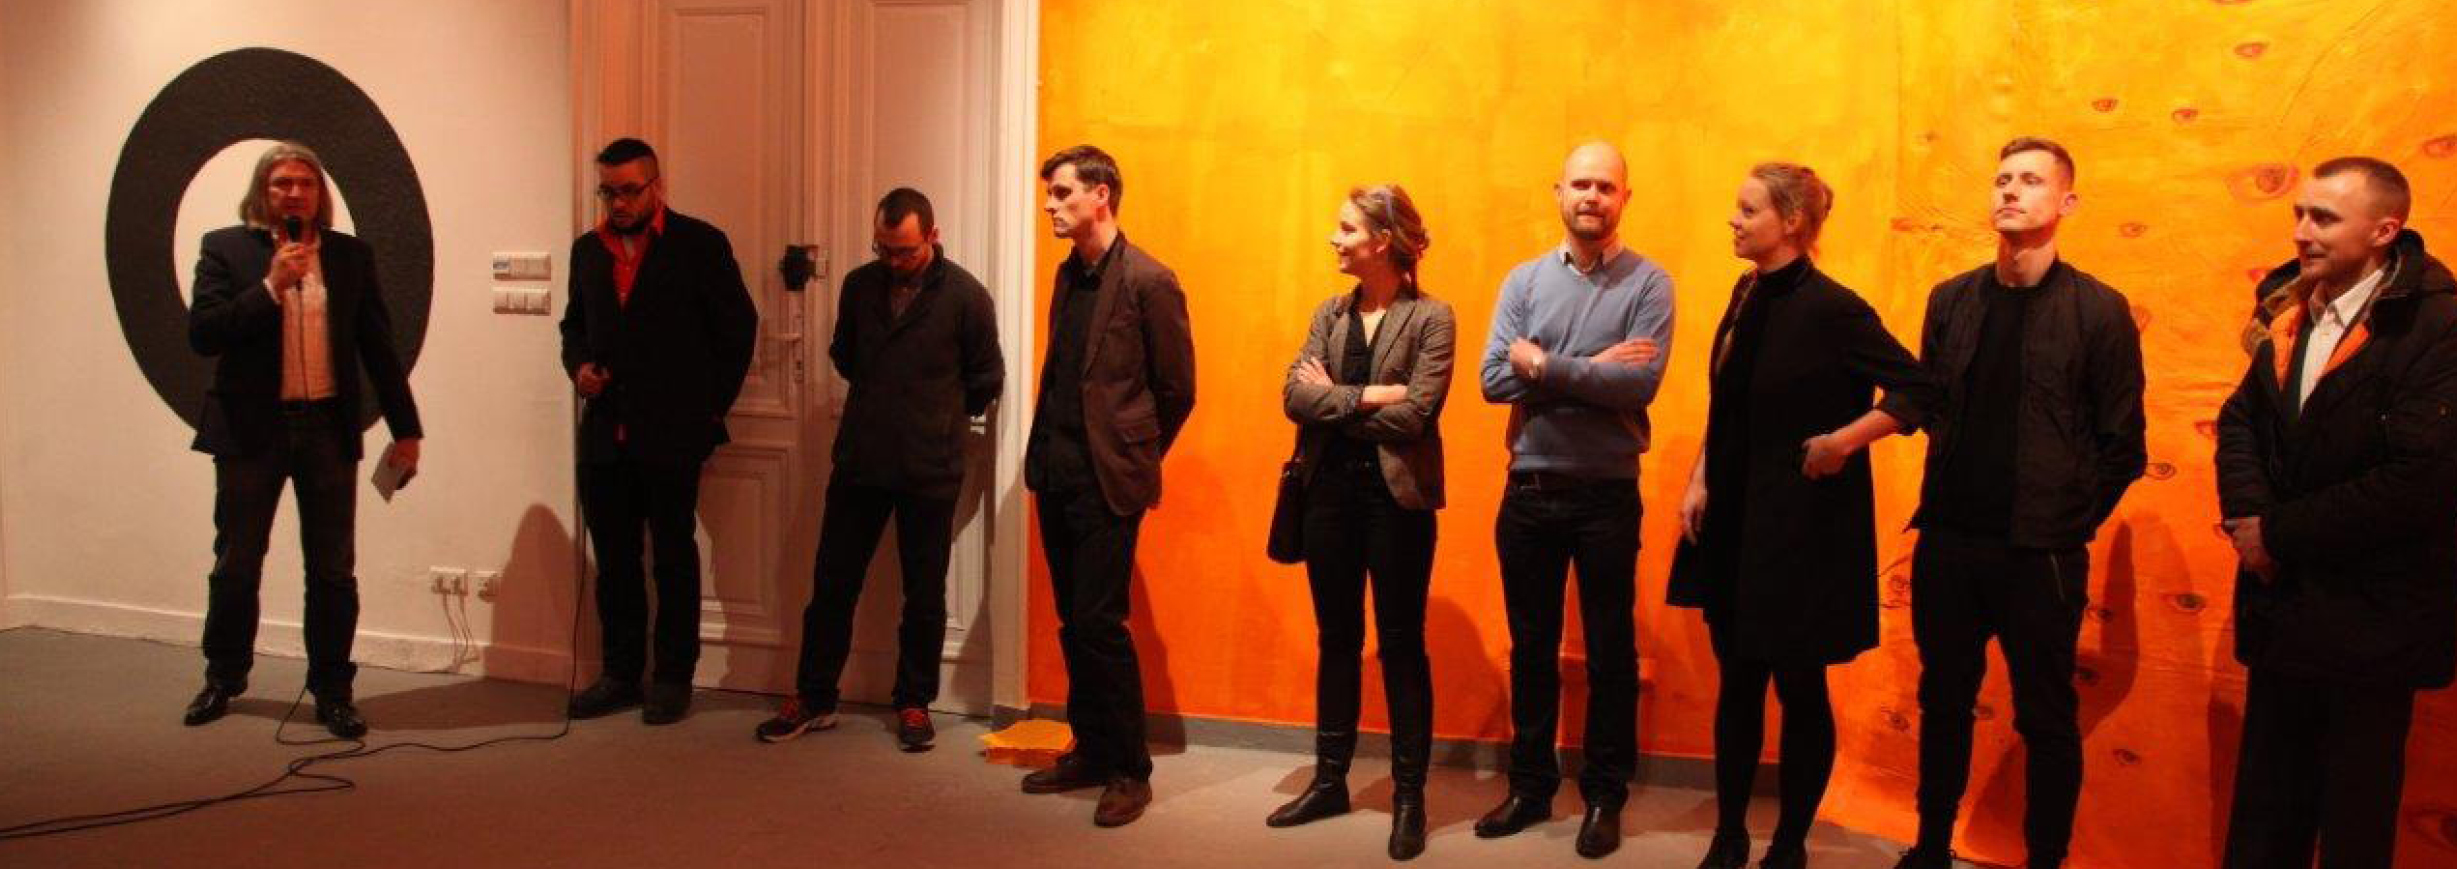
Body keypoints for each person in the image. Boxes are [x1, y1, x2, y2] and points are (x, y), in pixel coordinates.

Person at [1670, 164, 1940, 869]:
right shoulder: (1745, 292)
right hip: (1735, 521)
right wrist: (1700, 474)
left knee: (1798, 685)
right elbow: (1729, 404)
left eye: (1747, 208)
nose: (1732, 219)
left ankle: (1788, 844)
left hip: (1800, 530)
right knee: (1737, 683)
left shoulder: (1834, 309)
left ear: (1790, 221)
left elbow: (1920, 390)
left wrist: (1843, 442)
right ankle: (1728, 835)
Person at [1897, 138, 2145, 869]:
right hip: (1948, 539)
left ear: (2066, 203)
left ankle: (2045, 858)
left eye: (2031, 181)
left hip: (2040, 552)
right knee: (1943, 701)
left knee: (2045, 715)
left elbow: (2123, 444)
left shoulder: (2099, 310)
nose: (2009, 191)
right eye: (2002, 178)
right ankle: (1930, 846)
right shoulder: (1951, 298)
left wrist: (2066, 519)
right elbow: (1932, 405)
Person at [2216, 157, 2457, 869]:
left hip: (2374, 623)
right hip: (2281, 608)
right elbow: (2241, 420)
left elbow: (2419, 478)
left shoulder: (2438, 325)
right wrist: (2249, 518)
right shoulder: (2287, 306)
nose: (2300, 232)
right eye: (2298, 213)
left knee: (2354, 825)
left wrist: (2276, 532)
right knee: (2264, 818)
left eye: (2322, 218)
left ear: (2384, 230)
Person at [182, 141, 425, 740]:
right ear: (262, 192)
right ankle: (223, 676)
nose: (295, 193)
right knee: (237, 561)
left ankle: (333, 689)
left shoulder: (349, 256)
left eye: (305, 183)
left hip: (326, 431)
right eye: (282, 183)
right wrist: (269, 287)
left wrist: (407, 430)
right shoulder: (226, 249)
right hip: (250, 432)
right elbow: (204, 333)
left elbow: (379, 347)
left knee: (333, 568)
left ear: (321, 194)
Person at [1474, 141, 1672, 860]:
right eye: (1580, 184)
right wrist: (1591, 369)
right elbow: (1493, 379)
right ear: (1558, 192)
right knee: (1530, 649)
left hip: (1606, 496)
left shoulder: (1650, 283)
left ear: (1625, 198)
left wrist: (1543, 364)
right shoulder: (1523, 280)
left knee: (1610, 653)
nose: (1592, 196)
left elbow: (1638, 384)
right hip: (1528, 490)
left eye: (1605, 186)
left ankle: (1603, 796)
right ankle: (1529, 787)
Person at [756, 187, 1004, 751]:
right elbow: (843, 354)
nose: (893, 261)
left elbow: (986, 377)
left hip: (930, 465)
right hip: (861, 458)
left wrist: (935, 416)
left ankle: (914, 702)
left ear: (933, 237)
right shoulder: (859, 285)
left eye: (905, 251)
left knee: (924, 592)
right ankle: (815, 697)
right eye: (884, 249)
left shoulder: (966, 296)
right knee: (832, 584)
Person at [1017, 144, 1196, 828]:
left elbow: (1177, 389)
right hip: (1056, 472)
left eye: (1062, 192)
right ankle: (1091, 748)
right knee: (1075, 621)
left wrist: (1132, 455)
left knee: (1099, 622)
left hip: (1107, 480)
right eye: (1049, 193)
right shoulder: (1070, 274)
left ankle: (1128, 768)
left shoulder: (1150, 280)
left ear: (1101, 195)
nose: (1050, 205)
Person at [1273, 184, 1453, 860]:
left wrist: (1336, 402)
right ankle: (1328, 782)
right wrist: (1373, 394)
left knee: (1401, 644)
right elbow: (1294, 397)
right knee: (1337, 639)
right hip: (1326, 497)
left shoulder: (1432, 318)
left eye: (1347, 228)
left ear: (1383, 240)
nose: (1335, 238)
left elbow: (1417, 414)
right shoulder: (1329, 312)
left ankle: (1409, 798)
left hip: (1396, 503)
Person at [558, 137, 758, 726]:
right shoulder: (587, 251)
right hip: (604, 433)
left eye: (628, 190)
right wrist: (578, 366)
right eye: (608, 192)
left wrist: (709, 411)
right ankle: (621, 673)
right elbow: (573, 326)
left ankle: (673, 676)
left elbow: (737, 331)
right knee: (615, 560)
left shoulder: (700, 244)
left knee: (672, 556)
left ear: (656, 186)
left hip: (673, 431)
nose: (618, 203)